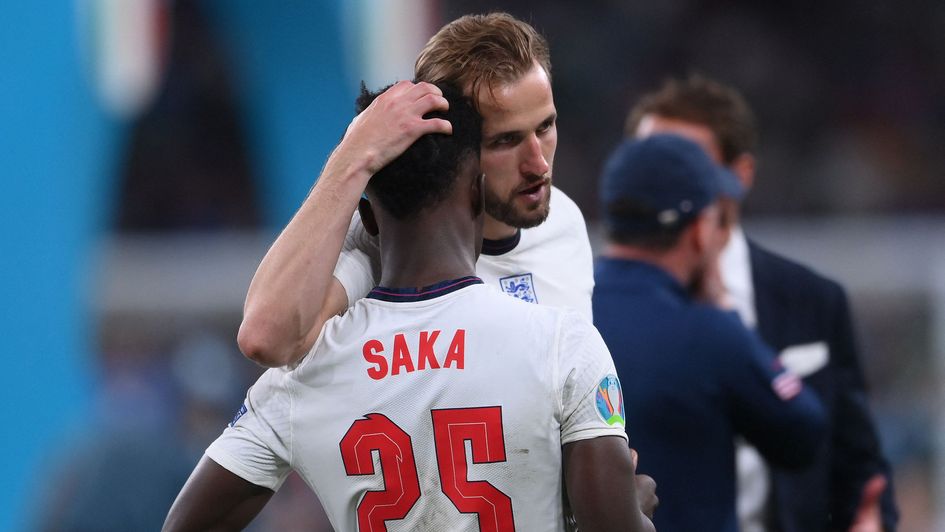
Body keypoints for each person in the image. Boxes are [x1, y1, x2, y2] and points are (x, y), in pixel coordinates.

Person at [163, 83, 654, 532]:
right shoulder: (561, 344)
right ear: (477, 193)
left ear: (367, 218)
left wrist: (351, 159)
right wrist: (635, 510)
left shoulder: (302, 374)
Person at [237, 12, 593, 370]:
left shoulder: (566, 222)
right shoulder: (392, 244)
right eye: (505, 141)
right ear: (452, 145)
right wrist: (351, 156)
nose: (538, 165)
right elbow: (264, 338)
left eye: (545, 127)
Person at [627, 75, 898, 532]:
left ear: (741, 175)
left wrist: (873, 521)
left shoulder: (812, 301)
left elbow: (859, 466)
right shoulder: (593, 305)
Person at [592, 134, 827, 532]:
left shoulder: (563, 309)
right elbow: (804, 432)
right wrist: (727, 313)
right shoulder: (710, 333)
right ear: (700, 230)